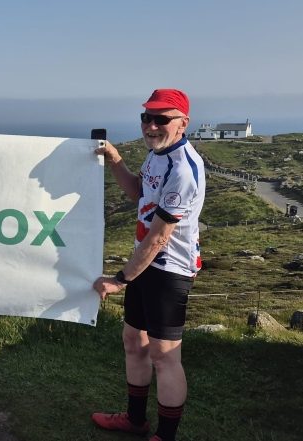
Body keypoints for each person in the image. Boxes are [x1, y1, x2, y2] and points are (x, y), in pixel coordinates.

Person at [91, 89, 205, 441]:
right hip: (146, 265)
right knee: (133, 341)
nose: (151, 126)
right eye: (146, 118)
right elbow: (138, 192)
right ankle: (135, 420)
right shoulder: (157, 155)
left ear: (183, 123)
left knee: (164, 355)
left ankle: (165, 435)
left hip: (168, 271)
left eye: (161, 119)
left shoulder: (183, 169)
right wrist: (115, 161)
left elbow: (159, 238)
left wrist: (120, 279)